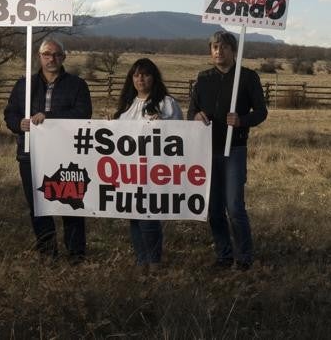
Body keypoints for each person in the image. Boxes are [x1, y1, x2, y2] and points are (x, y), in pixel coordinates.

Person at [3, 38, 92, 261]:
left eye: (56, 54)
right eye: (47, 54)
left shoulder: (77, 85)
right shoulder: (24, 85)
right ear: (39, 57)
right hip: (30, 154)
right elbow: (10, 113)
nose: (51, 58)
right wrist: (18, 124)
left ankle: (76, 254)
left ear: (64, 57)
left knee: (70, 203)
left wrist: (49, 118)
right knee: (38, 205)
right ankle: (47, 252)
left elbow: (83, 114)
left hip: (66, 154)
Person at [188, 30, 268, 270]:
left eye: (223, 47)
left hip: (234, 149)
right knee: (213, 209)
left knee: (234, 207)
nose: (218, 51)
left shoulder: (247, 77)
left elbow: (261, 112)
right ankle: (223, 256)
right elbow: (192, 111)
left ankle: (244, 259)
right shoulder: (203, 78)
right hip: (207, 151)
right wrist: (196, 116)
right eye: (214, 47)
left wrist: (242, 120)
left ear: (234, 50)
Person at [114, 58, 181, 268]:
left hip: (154, 170)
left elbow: (179, 134)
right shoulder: (128, 105)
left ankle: (154, 261)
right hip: (128, 170)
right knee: (133, 216)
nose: (140, 79)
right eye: (136, 75)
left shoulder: (166, 103)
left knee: (148, 216)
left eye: (145, 74)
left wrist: (162, 124)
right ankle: (141, 260)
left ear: (154, 77)